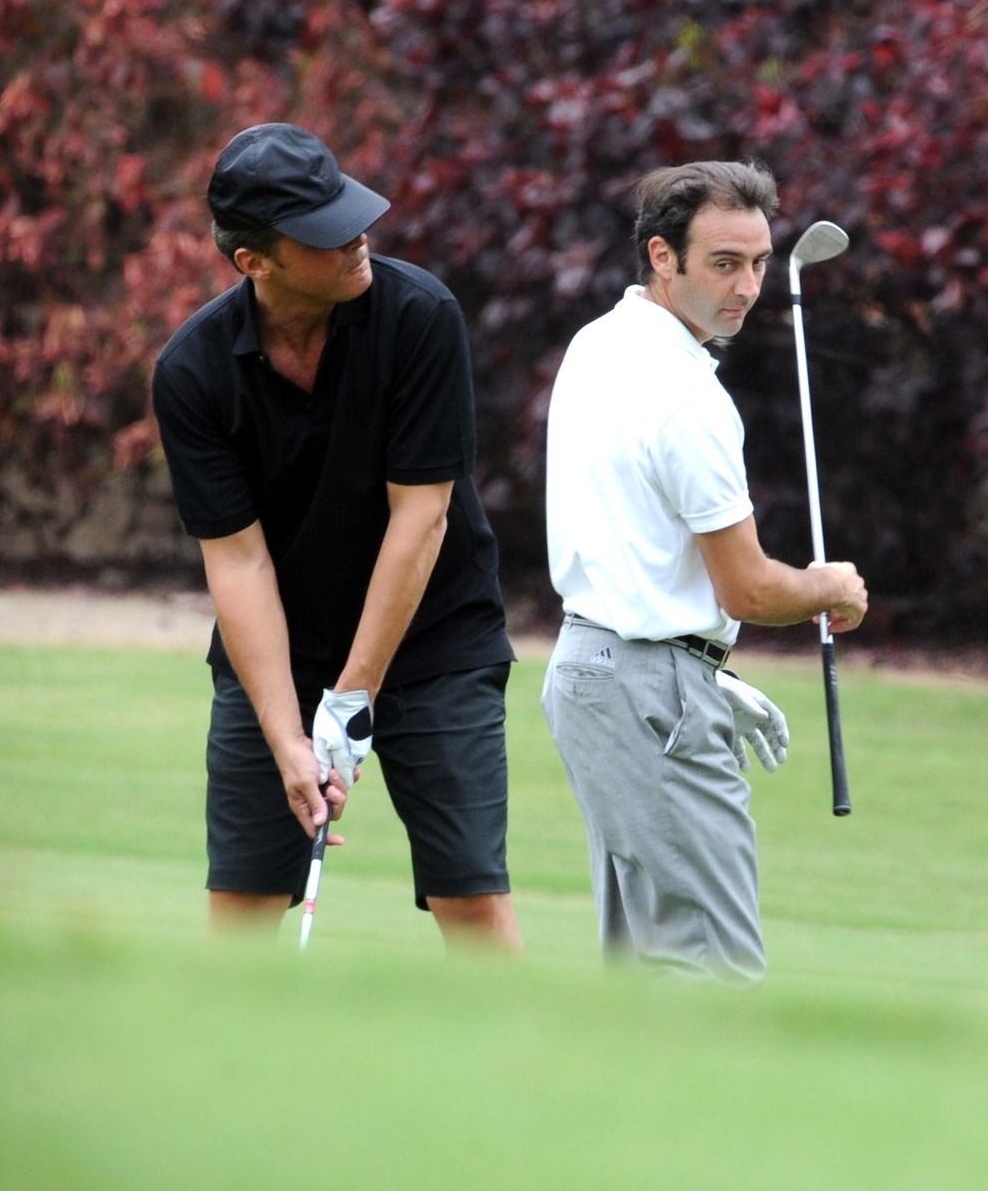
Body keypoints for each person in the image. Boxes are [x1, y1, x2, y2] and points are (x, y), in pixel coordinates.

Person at [152, 122, 522, 951]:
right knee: (243, 905)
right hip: (282, 650)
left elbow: (420, 519)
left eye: (350, 212)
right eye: (323, 233)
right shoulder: (194, 372)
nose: (358, 238)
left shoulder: (421, 317)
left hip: (435, 639)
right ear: (255, 262)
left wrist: (351, 703)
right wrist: (290, 737)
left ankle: (528, 1076)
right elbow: (239, 564)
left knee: (472, 894)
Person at [540, 160, 868, 983]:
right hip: (647, 690)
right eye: (724, 263)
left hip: (590, 671)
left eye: (759, 262)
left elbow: (639, 547)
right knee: (715, 971)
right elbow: (750, 589)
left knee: (648, 967)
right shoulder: (689, 398)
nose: (749, 287)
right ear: (662, 255)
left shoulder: (597, 343)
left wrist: (702, 671)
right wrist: (832, 586)